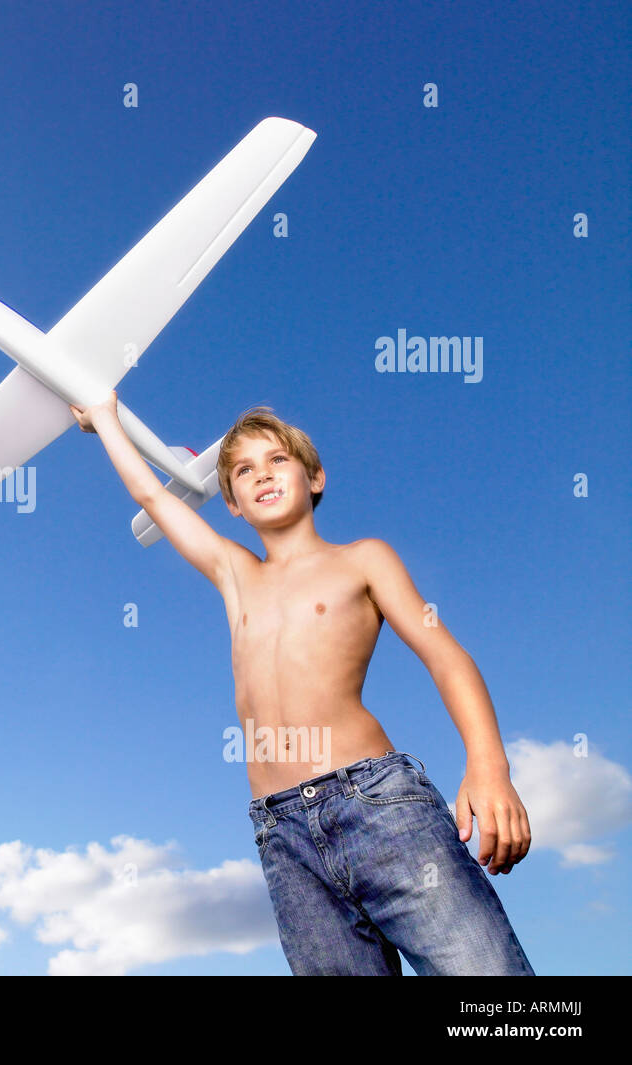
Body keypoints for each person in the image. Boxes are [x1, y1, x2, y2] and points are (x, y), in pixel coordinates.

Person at [69, 396, 535, 976]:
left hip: (378, 806)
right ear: (232, 504)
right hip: (282, 835)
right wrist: (105, 419)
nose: (262, 473)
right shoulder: (235, 574)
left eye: (278, 460)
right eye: (243, 470)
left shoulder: (364, 559)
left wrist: (489, 767)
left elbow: (446, 657)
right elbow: (152, 496)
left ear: (315, 477)